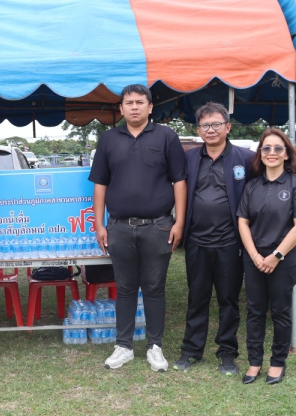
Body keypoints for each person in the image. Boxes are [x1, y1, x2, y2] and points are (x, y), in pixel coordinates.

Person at [88, 84, 187, 372]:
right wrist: (99, 224)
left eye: (140, 102)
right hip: (119, 227)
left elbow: (179, 181)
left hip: (158, 226)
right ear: (121, 108)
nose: (134, 107)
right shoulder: (108, 139)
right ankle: (124, 346)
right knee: (125, 288)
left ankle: (155, 346)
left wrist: (179, 222)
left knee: (155, 288)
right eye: (129, 102)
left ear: (150, 107)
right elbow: (100, 184)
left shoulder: (166, 137)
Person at [173, 102, 253, 376]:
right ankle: (191, 350)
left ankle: (227, 352)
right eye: (205, 125)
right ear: (198, 130)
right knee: (197, 298)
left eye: (216, 124)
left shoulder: (245, 159)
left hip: (230, 243)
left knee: (228, 300)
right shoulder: (190, 158)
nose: (211, 129)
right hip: (197, 241)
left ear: (228, 127)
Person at [237, 128, 296, 385]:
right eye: (266, 148)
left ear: (287, 154)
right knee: (255, 312)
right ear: (260, 153)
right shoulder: (252, 186)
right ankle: (254, 361)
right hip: (254, 259)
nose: (272, 153)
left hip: (283, 260)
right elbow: (243, 222)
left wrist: (276, 256)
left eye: (278, 148)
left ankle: (278, 362)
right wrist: (255, 256)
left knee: (280, 312)